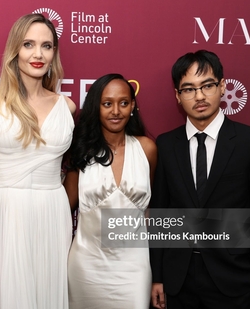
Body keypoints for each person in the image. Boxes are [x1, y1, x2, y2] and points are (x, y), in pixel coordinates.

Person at [0, 13, 76, 309]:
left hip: (52, 212)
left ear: (54, 53)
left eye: (46, 46)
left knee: (48, 294)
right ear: (14, 50)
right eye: (28, 44)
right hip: (6, 211)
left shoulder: (68, 106)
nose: (38, 54)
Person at [150, 50, 250, 309]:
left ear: (222, 87)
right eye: (188, 89)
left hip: (234, 278)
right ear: (177, 96)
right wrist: (159, 277)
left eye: (207, 85)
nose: (199, 96)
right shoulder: (165, 144)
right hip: (178, 280)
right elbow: (160, 214)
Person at [64, 73, 157, 309]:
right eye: (107, 104)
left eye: (123, 103)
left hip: (134, 268)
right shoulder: (81, 152)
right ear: (96, 107)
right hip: (86, 266)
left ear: (133, 106)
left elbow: (150, 211)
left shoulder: (147, 149)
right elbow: (64, 208)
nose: (116, 111)